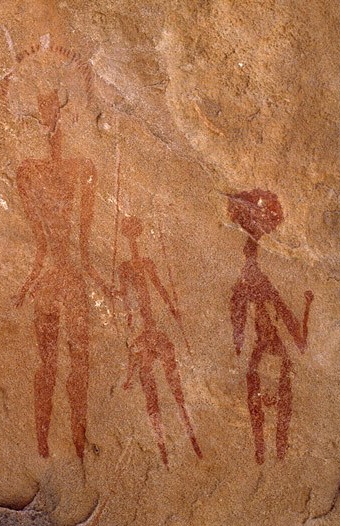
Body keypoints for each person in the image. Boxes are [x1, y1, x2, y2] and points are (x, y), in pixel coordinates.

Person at [15, 89, 108, 459]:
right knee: (50, 361)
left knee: (77, 360)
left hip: (68, 277)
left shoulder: (82, 169)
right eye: (43, 111)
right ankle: (43, 442)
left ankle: (77, 439)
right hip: (58, 279)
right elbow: (40, 242)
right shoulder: (28, 172)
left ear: (63, 114)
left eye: (53, 110)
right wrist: (26, 285)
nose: (48, 118)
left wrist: (98, 278)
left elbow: (84, 244)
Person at [228, 189, 313, 464]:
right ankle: (264, 450)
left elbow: (293, 330)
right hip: (266, 346)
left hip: (270, 346)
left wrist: (307, 310)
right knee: (255, 380)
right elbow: (240, 318)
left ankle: (274, 448)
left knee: (265, 379)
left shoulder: (260, 287)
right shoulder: (249, 287)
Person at [117, 216, 202, 464]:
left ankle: (188, 436)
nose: (132, 237)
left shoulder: (146, 263)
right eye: (130, 232)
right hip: (145, 334)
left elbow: (159, 288)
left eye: (134, 232)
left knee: (174, 390)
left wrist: (171, 308)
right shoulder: (124, 269)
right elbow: (126, 300)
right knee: (152, 394)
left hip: (151, 332)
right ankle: (162, 445)